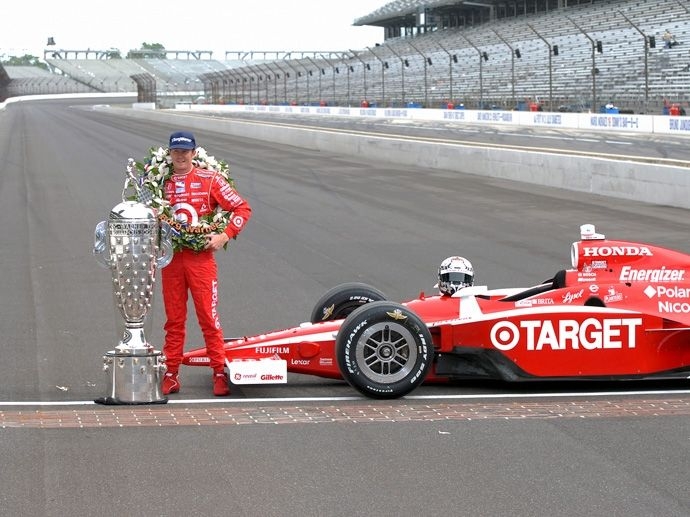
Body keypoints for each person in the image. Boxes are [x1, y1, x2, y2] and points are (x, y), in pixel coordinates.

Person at [160, 131, 252, 397]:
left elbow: (242, 208)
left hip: (201, 260)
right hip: (172, 260)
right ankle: (171, 374)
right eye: (175, 151)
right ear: (169, 153)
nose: (180, 155)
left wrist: (224, 235)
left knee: (209, 319)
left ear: (194, 152)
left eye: (185, 151)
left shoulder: (210, 179)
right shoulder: (158, 183)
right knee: (174, 321)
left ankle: (219, 374)